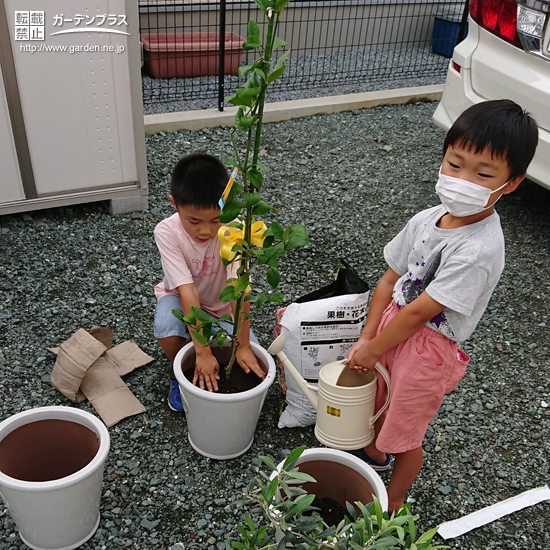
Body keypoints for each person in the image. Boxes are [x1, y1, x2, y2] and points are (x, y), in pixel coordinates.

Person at [346, 99, 539, 513]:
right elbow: (389, 279)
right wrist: (368, 335)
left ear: (511, 183)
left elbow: (421, 311)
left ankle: (392, 503)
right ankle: (373, 458)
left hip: (429, 346)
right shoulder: (428, 218)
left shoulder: (479, 248)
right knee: (379, 397)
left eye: (483, 174)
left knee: (406, 430)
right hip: (393, 325)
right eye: (455, 164)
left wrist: (374, 347)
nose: (462, 179)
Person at [153, 152, 265, 410]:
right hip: (181, 300)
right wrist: (202, 352)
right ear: (174, 203)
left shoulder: (235, 228)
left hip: (223, 307)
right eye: (194, 221)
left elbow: (239, 290)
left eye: (216, 220)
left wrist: (244, 344)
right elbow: (187, 290)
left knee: (251, 361)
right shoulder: (167, 232)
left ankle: (207, 356)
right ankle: (182, 369)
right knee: (166, 326)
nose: (205, 230)